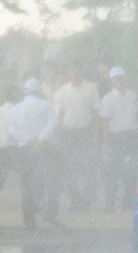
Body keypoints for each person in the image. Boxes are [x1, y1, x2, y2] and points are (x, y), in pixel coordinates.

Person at [9, 78, 59, 229]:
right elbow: (53, 123)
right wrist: (40, 140)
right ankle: (50, 212)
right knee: (49, 180)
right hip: (45, 148)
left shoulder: (16, 109)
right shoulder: (47, 106)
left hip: (25, 149)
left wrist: (29, 140)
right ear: (38, 90)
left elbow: (13, 130)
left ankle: (29, 217)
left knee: (27, 183)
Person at [54, 60, 102, 212]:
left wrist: (95, 134)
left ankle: (87, 200)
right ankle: (76, 199)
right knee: (69, 169)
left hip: (85, 132)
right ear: (68, 72)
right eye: (72, 70)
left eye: (77, 70)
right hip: (69, 134)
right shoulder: (62, 91)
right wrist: (59, 135)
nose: (75, 73)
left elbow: (96, 113)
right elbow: (60, 114)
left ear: (82, 71)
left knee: (86, 167)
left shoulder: (91, 88)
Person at [99, 66, 138, 212]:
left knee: (131, 169)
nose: (118, 81)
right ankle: (110, 201)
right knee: (113, 170)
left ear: (125, 78)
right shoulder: (108, 99)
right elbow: (105, 123)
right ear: (111, 81)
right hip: (115, 137)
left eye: (121, 77)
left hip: (131, 136)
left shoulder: (133, 95)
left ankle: (128, 200)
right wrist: (106, 143)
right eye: (115, 78)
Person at [0, 85, 22, 226]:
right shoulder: (16, 111)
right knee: (27, 179)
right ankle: (31, 212)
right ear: (16, 97)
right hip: (12, 150)